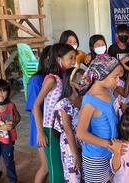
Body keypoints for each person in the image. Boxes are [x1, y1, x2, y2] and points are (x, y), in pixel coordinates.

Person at [33, 43, 76, 183]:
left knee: (64, 170)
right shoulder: (52, 79)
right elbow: (36, 105)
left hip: (62, 129)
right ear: (59, 59)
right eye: (70, 58)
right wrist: (40, 131)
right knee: (56, 171)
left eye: (74, 58)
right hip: (50, 130)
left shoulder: (65, 78)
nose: (74, 62)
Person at [76, 55, 123, 183]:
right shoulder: (90, 101)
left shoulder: (108, 90)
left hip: (112, 152)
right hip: (96, 157)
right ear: (102, 75)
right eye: (115, 76)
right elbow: (80, 133)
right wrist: (110, 145)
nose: (118, 80)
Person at [53, 68, 84, 183]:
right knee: (74, 176)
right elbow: (68, 131)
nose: (84, 82)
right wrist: (75, 154)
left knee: (85, 174)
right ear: (71, 82)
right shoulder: (64, 103)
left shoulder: (84, 99)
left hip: (84, 140)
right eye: (81, 79)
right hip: (70, 144)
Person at [25, 45, 51, 183]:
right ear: (47, 59)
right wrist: (40, 132)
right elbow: (35, 107)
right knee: (46, 166)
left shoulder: (53, 77)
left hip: (49, 126)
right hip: (40, 126)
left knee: (51, 166)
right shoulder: (37, 80)